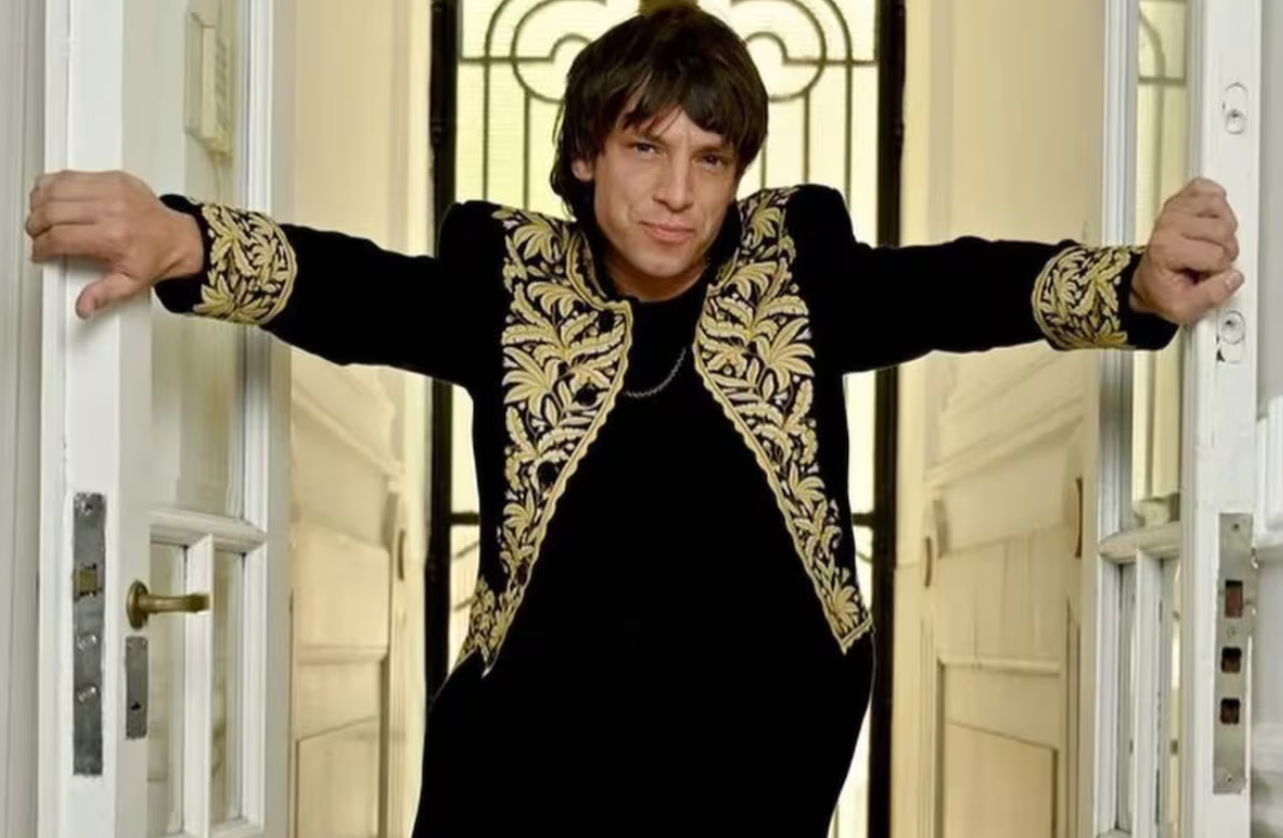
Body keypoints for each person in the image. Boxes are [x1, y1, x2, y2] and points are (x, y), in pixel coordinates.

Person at [25, 3, 1240, 834]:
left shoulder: (794, 269)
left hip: (759, 738)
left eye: (710, 159)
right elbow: (361, 291)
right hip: (530, 742)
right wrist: (181, 237)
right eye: (645, 147)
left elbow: (953, 288)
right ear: (581, 157)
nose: (675, 191)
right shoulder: (509, 280)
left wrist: (1133, 285)